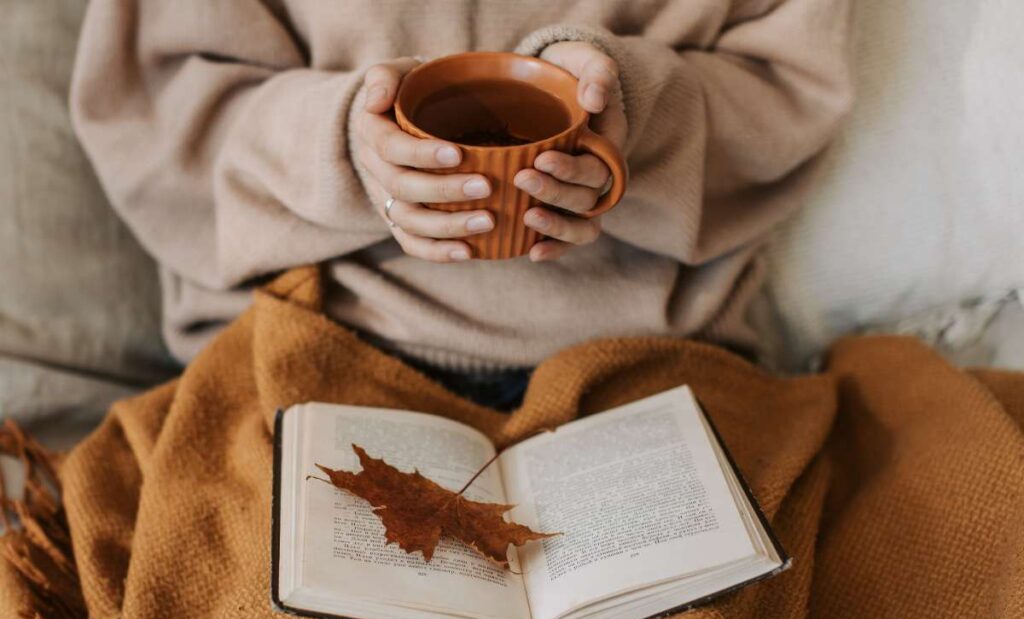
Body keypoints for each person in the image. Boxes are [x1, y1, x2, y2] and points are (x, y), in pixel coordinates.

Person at [71, 0, 852, 409]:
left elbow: (790, 89)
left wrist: (633, 113)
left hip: (654, 361)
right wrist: (342, 144)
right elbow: (155, 113)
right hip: (317, 344)